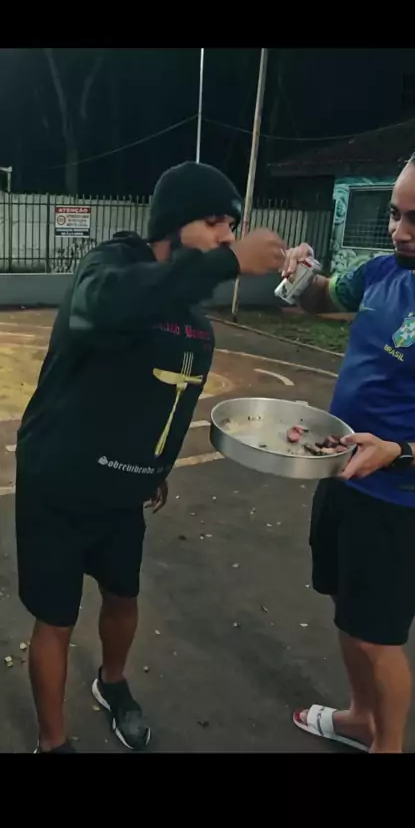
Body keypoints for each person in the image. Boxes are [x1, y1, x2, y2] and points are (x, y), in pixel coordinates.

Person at [16, 161, 286, 754]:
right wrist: (227, 264)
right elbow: (105, 307)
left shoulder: (191, 316)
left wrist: (156, 466)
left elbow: (175, 399)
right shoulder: (111, 266)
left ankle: (112, 684)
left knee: (123, 597)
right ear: (173, 221)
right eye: (213, 222)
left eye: (231, 226)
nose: (226, 236)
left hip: (124, 492)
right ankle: (53, 742)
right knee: (55, 618)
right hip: (57, 485)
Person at [284, 133, 415, 753]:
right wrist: (300, 276)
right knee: (348, 611)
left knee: (378, 638)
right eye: (396, 213)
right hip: (341, 472)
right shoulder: (385, 269)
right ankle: (359, 717)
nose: (399, 231)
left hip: (405, 501)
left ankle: (386, 745)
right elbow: (322, 299)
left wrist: (400, 452)